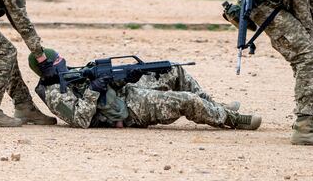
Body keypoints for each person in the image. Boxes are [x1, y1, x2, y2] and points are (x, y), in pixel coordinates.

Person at [223, 0, 313, 145]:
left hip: (276, 1)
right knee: (306, 55)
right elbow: (302, 8)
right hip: (265, 8)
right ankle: (305, 127)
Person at [28, 49, 262, 130]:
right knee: (186, 101)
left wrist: (126, 77)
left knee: (172, 70)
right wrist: (93, 90)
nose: (64, 62)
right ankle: (232, 119)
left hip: (125, 93)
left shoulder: (69, 75)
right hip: (128, 110)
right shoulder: (55, 94)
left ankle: (215, 106)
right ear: (48, 70)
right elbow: (80, 120)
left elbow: (104, 84)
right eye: (58, 61)